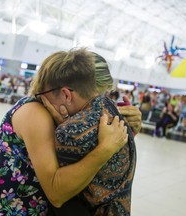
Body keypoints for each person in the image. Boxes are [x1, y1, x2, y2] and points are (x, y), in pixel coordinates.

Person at [0, 48, 130, 215]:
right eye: (92, 103)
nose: (95, 111)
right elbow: (56, 193)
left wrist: (127, 130)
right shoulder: (35, 113)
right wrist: (106, 149)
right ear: (67, 95)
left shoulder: (57, 116)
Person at [33, 51, 137, 215]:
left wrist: (104, 149)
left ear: (66, 94)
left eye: (43, 95)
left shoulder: (70, 132)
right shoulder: (112, 108)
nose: (42, 101)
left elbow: (57, 195)